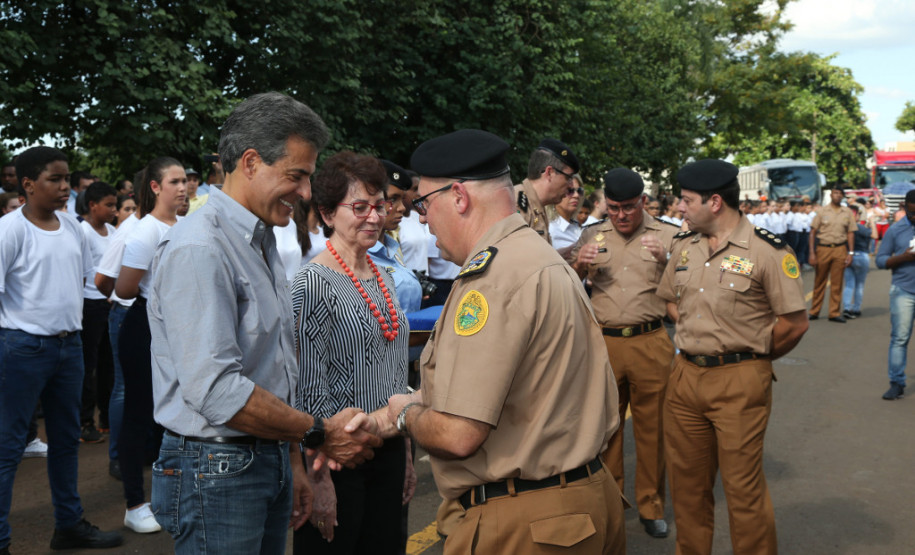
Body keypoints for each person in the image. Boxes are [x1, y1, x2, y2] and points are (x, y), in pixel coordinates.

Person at [147, 92, 381, 554]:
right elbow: (217, 390)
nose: (307, 193)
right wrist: (318, 433)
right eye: (296, 175)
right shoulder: (201, 248)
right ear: (250, 162)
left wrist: (290, 461)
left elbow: (272, 367)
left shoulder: (259, 238)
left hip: (260, 456)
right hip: (218, 468)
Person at [385, 129, 625, 554]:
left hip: (527, 523)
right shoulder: (535, 255)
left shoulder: (493, 280)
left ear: (458, 197)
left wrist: (405, 414)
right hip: (576, 503)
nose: (419, 218)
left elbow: (459, 433)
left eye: (422, 204)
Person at [657, 159, 808, 555]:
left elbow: (794, 323)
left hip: (739, 381)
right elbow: (670, 303)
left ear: (716, 202)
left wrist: (754, 354)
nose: (679, 208)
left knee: (743, 492)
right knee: (687, 489)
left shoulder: (767, 252)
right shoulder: (684, 247)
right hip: (686, 377)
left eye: (687, 201)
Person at [0, 146, 123, 552]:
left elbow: (86, 284)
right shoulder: (10, 231)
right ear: (27, 184)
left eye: (67, 179)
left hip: (68, 348)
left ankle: (68, 525)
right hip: (22, 348)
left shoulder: (71, 227)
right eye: (54, 179)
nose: (65, 187)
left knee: (66, 439)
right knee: (9, 445)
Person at [291, 152, 412, 555]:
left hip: (389, 449)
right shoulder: (312, 284)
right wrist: (317, 477)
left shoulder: (384, 276)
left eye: (379, 206)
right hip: (338, 460)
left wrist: (406, 450)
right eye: (359, 207)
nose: (374, 217)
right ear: (326, 213)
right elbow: (307, 390)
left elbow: (396, 372)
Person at [568, 168, 678, 539]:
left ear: (643, 202)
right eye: (613, 208)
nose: (621, 215)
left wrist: (668, 262)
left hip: (651, 341)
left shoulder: (669, 235)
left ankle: (651, 506)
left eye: (628, 207)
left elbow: (690, 288)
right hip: (606, 342)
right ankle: (612, 502)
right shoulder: (590, 234)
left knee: (654, 430)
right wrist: (580, 265)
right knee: (607, 429)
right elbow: (568, 287)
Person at [114, 157, 187, 534]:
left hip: (179, 325)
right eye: (173, 181)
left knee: (172, 412)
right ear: (155, 187)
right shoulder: (144, 232)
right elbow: (123, 289)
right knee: (139, 415)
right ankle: (134, 503)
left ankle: (170, 496)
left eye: (185, 180)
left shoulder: (187, 225)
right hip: (144, 325)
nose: (183, 187)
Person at [78, 182, 119, 444]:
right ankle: (84, 422)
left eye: (115, 205)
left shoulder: (113, 231)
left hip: (109, 303)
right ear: (93, 206)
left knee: (109, 365)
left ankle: (106, 417)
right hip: (89, 305)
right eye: (109, 205)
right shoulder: (82, 232)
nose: (114, 210)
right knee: (88, 366)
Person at [875, 190, 915, 400]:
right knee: (900, 338)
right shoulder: (895, 230)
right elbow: (880, 260)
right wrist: (903, 258)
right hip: (904, 291)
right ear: (905, 206)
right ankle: (896, 383)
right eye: (912, 213)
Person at [514, 138, 580, 244]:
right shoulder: (517, 205)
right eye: (568, 178)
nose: (571, 185)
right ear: (549, 173)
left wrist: (573, 254)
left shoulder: (537, 206)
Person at [808, 187, 855, 322]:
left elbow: (851, 232)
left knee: (837, 282)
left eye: (840, 193)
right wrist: (812, 253)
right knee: (819, 281)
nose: (837, 195)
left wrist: (850, 253)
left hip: (840, 249)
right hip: (823, 248)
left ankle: (834, 312)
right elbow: (812, 232)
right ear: (831, 195)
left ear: (842, 196)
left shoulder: (847, 212)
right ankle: (814, 311)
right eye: (835, 193)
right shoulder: (822, 211)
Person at [843, 204, 878, 319]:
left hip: (848, 256)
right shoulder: (859, 227)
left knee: (849, 284)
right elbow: (875, 235)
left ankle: (847, 308)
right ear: (856, 215)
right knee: (859, 285)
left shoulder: (844, 227)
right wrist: (872, 222)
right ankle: (856, 308)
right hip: (861, 255)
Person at [548, 174, 584, 250]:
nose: (576, 195)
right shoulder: (550, 229)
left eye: (579, 191)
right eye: (570, 191)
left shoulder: (578, 226)